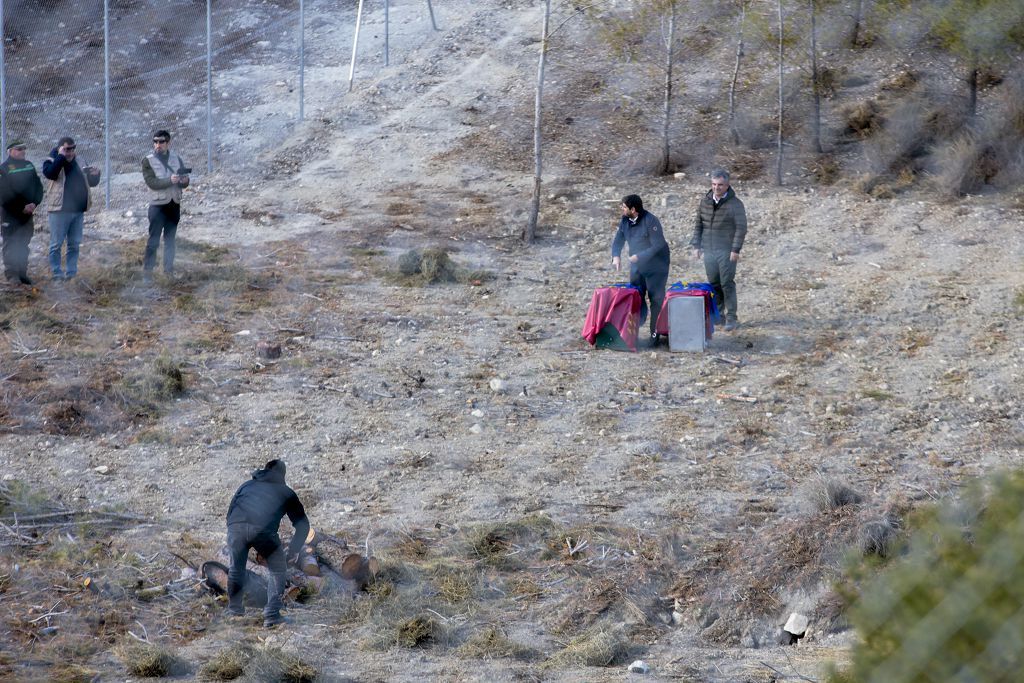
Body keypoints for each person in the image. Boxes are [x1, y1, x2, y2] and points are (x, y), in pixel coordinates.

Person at [225, 459, 309, 628]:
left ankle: (234, 611)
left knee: (236, 568)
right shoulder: (285, 492)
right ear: (282, 475)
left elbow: (230, 513)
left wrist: (238, 531)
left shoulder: (246, 485)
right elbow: (303, 526)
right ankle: (272, 615)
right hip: (262, 530)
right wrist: (292, 551)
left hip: (235, 527)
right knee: (278, 569)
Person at [690, 169, 747, 331]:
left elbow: (741, 228)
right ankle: (719, 315)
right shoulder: (705, 201)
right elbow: (698, 224)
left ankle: (731, 318)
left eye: (720, 185)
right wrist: (696, 246)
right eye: (714, 184)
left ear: (727, 185)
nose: (717, 188)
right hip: (709, 249)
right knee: (714, 283)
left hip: (727, 250)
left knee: (727, 283)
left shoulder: (735, 204)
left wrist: (735, 249)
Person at [611, 194, 671, 346]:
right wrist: (616, 256)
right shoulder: (625, 220)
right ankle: (633, 333)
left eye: (624, 207)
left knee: (656, 300)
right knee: (635, 296)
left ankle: (654, 336)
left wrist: (640, 256)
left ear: (633, 209)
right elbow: (619, 239)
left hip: (657, 266)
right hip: (637, 265)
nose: (622, 209)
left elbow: (658, 245)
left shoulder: (651, 221)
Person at [42, 136, 100, 281]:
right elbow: (51, 174)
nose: (71, 152)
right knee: (56, 244)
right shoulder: (51, 160)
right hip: (59, 210)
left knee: (74, 244)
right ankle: (56, 273)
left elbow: (90, 183)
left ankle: (71, 274)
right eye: (67, 149)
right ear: (60, 148)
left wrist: (95, 175)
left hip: (78, 210)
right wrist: (61, 157)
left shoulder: (80, 161)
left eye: (73, 148)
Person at [141, 130, 189, 281]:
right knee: (153, 240)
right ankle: (147, 273)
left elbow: (184, 181)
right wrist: (171, 180)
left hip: (174, 204)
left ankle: (168, 272)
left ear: (168, 143)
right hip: (157, 206)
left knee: (170, 241)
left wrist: (184, 181)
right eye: (155, 141)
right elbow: (151, 182)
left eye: (161, 141)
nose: (158, 145)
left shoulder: (176, 158)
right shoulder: (148, 160)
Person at [0, 141, 44, 285]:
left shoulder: (28, 165)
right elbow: (4, 194)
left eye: (24, 149)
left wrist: (34, 203)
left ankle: (22, 273)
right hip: (11, 215)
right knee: (10, 243)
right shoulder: (4, 169)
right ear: (10, 151)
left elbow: (38, 186)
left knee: (23, 243)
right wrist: (21, 207)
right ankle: (12, 275)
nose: (23, 151)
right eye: (19, 149)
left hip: (27, 214)